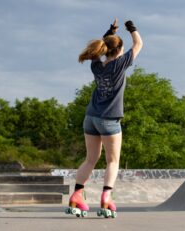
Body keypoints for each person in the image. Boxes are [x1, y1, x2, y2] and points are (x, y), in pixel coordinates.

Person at [65, 19, 143, 218]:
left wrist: (110, 31)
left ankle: (76, 195)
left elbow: (100, 47)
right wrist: (131, 28)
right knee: (113, 161)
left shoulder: (96, 66)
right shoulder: (120, 64)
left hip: (90, 117)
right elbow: (139, 44)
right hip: (109, 120)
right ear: (118, 50)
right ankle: (106, 197)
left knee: (90, 159)